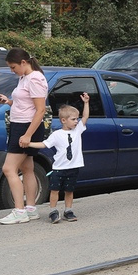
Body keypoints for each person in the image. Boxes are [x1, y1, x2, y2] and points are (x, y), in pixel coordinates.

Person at [0, 48, 49, 225]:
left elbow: (40, 110)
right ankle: (31, 209)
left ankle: (19, 211)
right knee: (27, 168)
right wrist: (9, 101)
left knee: (8, 168)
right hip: (20, 125)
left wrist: (27, 135)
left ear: (24, 62)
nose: (12, 71)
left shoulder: (35, 78)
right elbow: (25, 103)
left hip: (26, 127)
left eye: (13, 67)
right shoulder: (24, 78)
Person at [27, 92, 89, 223]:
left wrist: (86, 103)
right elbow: (44, 144)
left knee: (69, 190)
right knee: (54, 190)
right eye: (73, 119)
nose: (76, 121)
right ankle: (53, 211)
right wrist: (29, 143)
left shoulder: (77, 130)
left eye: (77, 119)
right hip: (59, 168)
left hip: (73, 167)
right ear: (63, 120)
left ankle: (68, 210)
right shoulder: (57, 134)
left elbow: (85, 117)